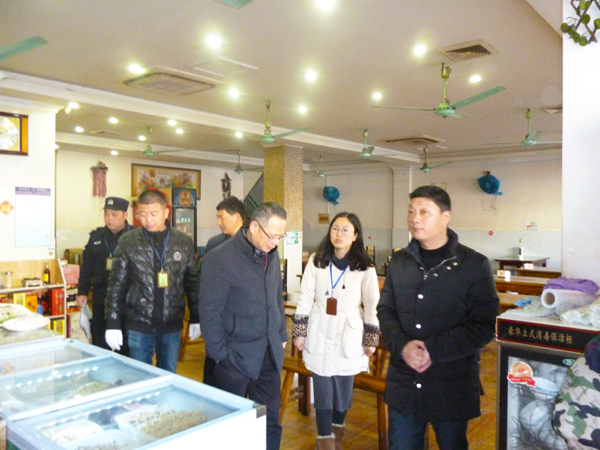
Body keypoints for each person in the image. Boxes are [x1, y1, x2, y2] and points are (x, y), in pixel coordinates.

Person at [377, 185, 500, 450]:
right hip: (405, 379)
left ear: (446, 217)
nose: (415, 218)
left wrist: (433, 349)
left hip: (451, 382)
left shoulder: (473, 264)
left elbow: (484, 323)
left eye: (424, 212)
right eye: (411, 211)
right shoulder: (399, 262)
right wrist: (403, 346)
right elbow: (386, 310)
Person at [199, 202, 288, 450]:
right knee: (232, 425)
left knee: (270, 421)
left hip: (268, 353)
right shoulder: (220, 258)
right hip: (235, 356)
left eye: (280, 237)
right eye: (272, 236)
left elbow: (276, 297)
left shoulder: (272, 253)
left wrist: (280, 334)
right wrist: (220, 354)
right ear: (254, 226)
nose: (275, 243)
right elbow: (209, 311)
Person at [292, 212, 380, 450]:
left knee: (343, 387)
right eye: (335, 229)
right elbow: (305, 297)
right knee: (321, 386)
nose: (339, 234)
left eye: (345, 230)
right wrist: (299, 331)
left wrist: (371, 339)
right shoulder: (317, 260)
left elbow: (371, 305)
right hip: (319, 328)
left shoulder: (365, 267)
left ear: (355, 235)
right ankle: (325, 440)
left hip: (348, 331)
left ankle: (337, 432)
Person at [105, 189, 201, 373]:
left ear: (166, 212)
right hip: (138, 322)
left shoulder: (183, 242)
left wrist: (196, 317)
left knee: (169, 374)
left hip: (171, 323)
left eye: (154, 213)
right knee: (140, 375)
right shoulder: (128, 241)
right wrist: (112, 323)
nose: (148, 219)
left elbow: (192, 282)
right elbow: (116, 284)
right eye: (142, 214)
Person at [76, 196, 133, 354]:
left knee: (125, 347)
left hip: (127, 300)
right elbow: (87, 267)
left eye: (114, 214)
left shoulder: (135, 237)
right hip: (101, 297)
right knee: (99, 344)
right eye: (106, 213)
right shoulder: (97, 236)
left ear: (125, 215)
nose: (109, 218)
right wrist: (82, 291)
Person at [202, 195, 246, 386]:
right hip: (219, 314)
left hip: (241, 318)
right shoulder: (215, 243)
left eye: (222, 217)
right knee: (213, 367)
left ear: (237, 217)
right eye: (217, 217)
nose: (218, 222)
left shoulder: (251, 242)